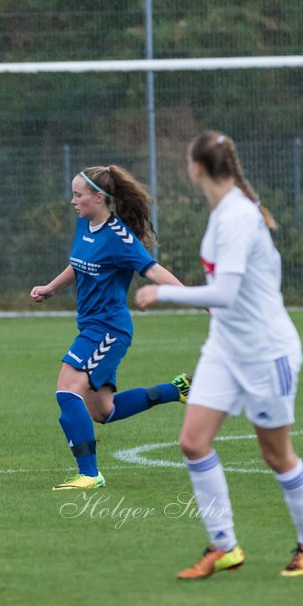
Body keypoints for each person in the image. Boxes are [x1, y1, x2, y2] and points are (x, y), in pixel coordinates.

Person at [136, 130, 303, 579]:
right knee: (192, 442)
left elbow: (225, 292)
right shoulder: (222, 211)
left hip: (266, 352)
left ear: (196, 168)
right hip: (225, 348)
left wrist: (162, 294)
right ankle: (223, 546)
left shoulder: (238, 217)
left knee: (276, 455)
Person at [30, 165, 189, 492]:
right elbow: (79, 264)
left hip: (109, 329)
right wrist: (51, 287)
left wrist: (198, 298)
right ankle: (178, 389)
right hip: (91, 326)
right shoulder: (84, 225)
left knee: (66, 390)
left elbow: (154, 271)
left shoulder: (121, 238)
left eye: (78, 194)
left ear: (99, 197)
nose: (73, 201)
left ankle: (89, 475)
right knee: (103, 411)